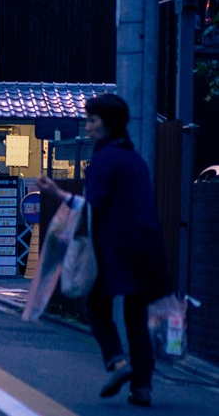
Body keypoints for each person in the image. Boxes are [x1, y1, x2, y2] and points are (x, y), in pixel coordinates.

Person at [36, 93, 172, 407]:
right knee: (136, 315)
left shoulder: (105, 159)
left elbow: (93, 207)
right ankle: (142, 388)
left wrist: (56, 192)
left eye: (92, 120)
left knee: (96, 305)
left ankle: (117, 362)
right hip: (146, 247)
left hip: (112, 247)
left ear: (108, 123)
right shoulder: (134, 159)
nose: (88, 125)